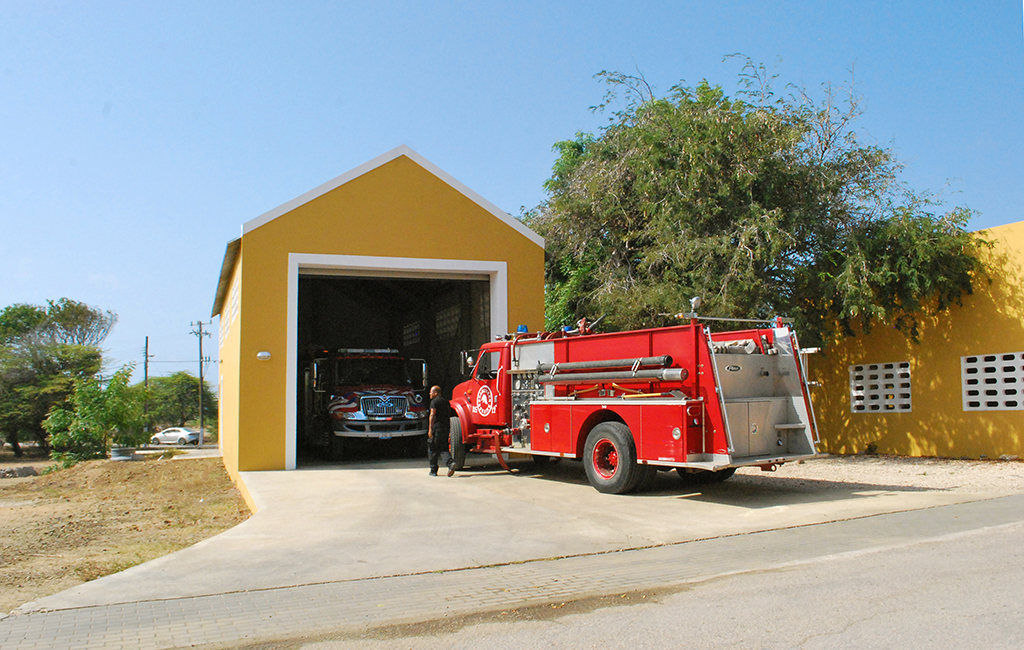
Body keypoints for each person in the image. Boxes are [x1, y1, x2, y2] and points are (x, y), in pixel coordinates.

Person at [428, 385, 455, 477]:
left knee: (433, 449)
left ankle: (433, 470)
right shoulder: (446, 402)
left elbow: (432, 415)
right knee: (443, 447)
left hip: (437, 428)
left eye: (431, 392)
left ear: (436, 393)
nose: (429, 394)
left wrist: (430, 429)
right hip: (445, 427)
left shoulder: (434, 402)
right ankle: (451, 464)